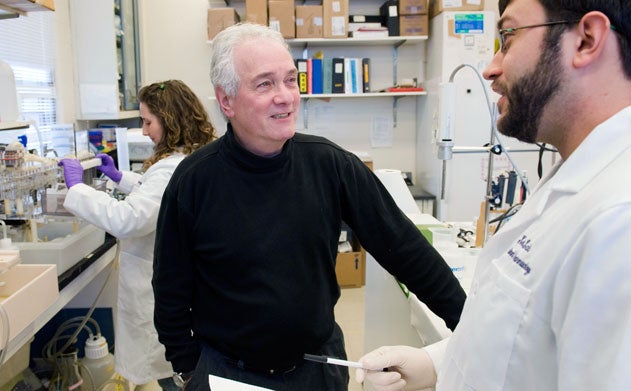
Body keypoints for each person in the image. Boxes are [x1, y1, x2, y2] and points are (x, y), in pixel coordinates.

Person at [152, 22, 466, 391]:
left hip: (317, 368)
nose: (285, 96)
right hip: (227, 373)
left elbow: (406, 250)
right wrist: (188, 368)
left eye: (290, 80)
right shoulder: (193, 182)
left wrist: (470, 327)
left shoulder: (330, 164)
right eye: (265, 84)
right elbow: (170, 290)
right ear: (226, 100)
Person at [356, 0, 631, 390]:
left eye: (508, 37)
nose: (490, 67)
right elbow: (518, 344)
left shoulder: (619, 220)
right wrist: (437, 363)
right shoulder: (571, 181)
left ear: (586, 40)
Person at [58, 80, 216, 390]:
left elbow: (128, 219)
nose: (144, 131)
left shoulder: (171, 168)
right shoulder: (188, 159)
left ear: (170, 120)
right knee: (173, 371)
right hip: (180, 289)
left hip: (158, 289)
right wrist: (121, 178)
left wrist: (77, 189)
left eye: (148, 121)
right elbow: (161, 200)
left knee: (173, 374)